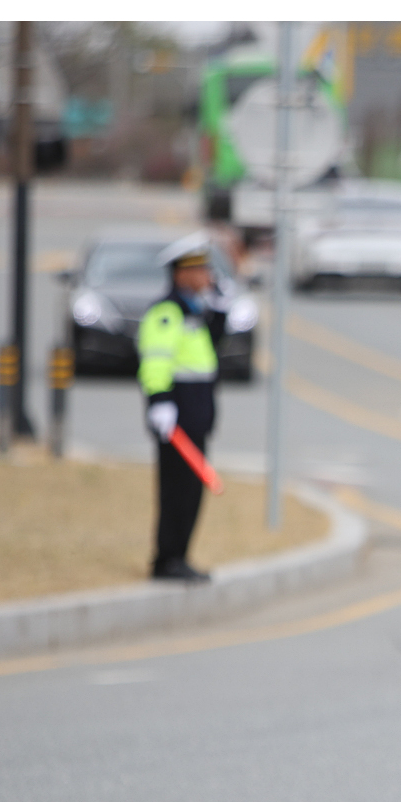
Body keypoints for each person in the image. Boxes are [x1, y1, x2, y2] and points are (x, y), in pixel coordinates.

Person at [137, 233, 227, 583]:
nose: (208, 276)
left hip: (196, 415)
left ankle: (180, 556)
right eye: (201, 269)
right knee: (176, 491)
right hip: (176, 418)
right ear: (182, 274)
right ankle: (168, 559)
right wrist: (159, 402)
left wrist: (219, 307)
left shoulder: (194, 311)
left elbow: (212, 347)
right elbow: (155, 361)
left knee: (191, 493)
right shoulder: (167, 313)